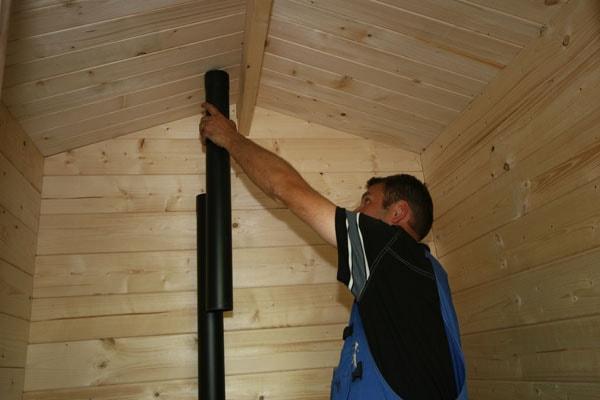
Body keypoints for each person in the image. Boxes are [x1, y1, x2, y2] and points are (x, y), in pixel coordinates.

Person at [200, 103, 467, 400]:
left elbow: (285, 188)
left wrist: (231, 139)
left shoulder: (388, 248)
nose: (356, 211)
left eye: (367, 201)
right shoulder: (427, 272)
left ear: (397, 213)